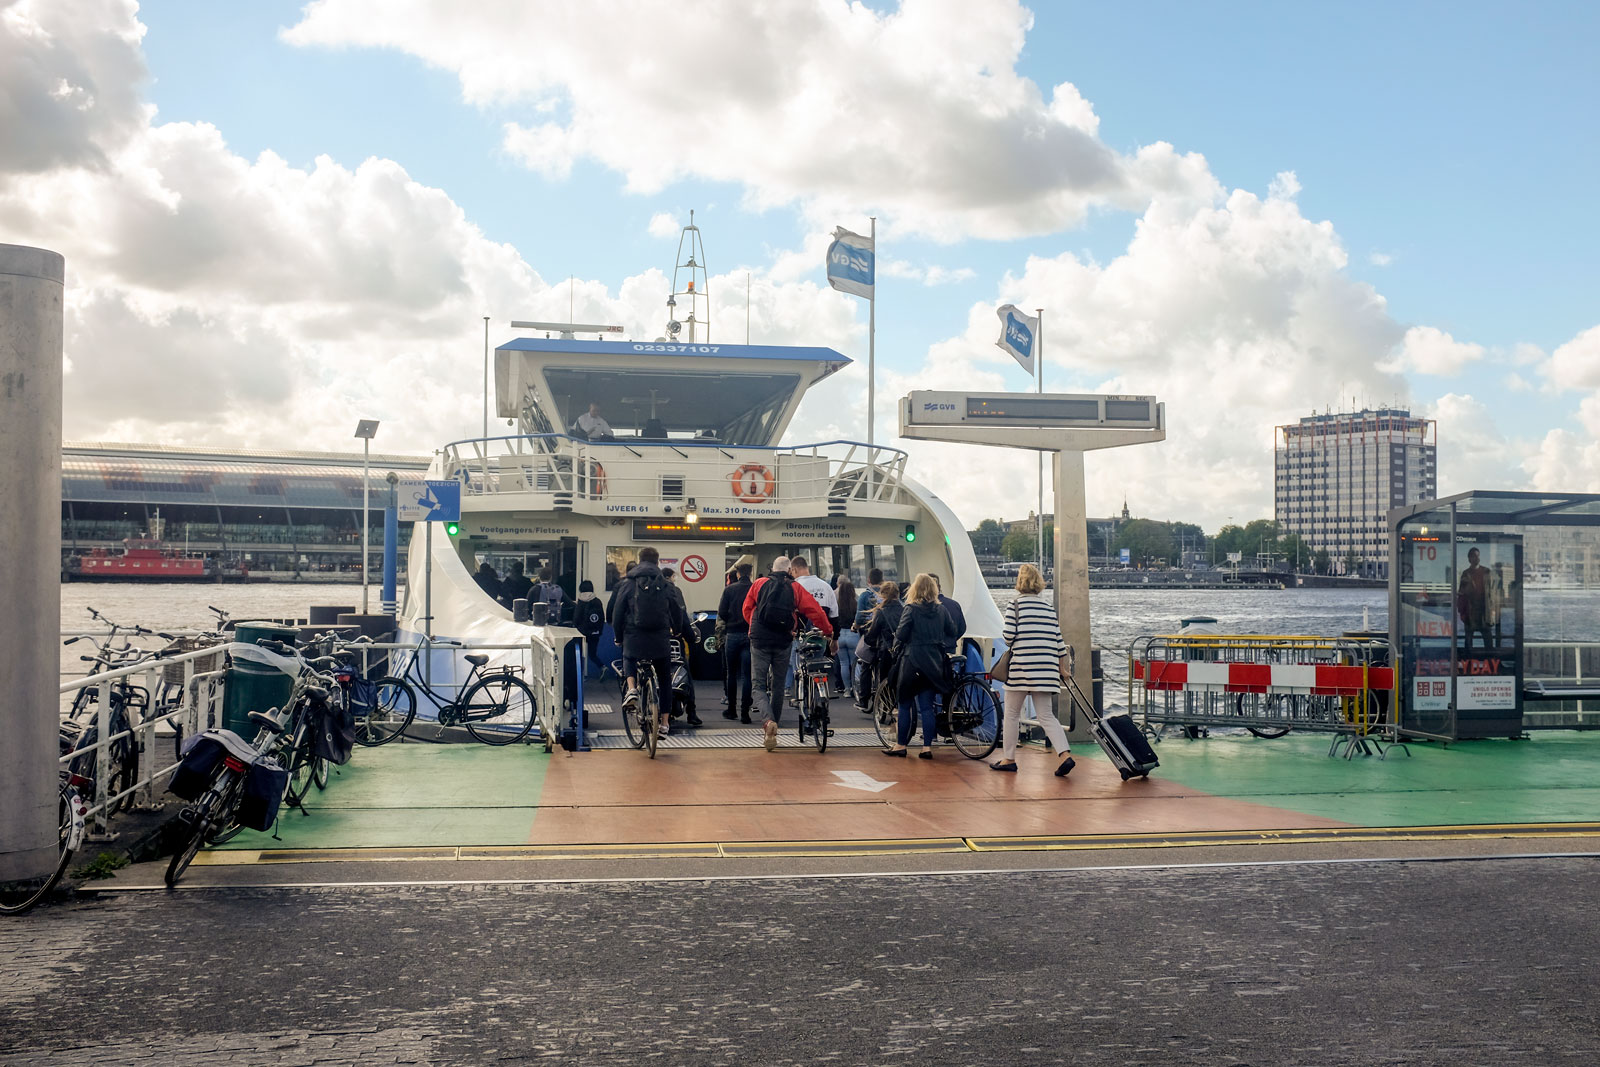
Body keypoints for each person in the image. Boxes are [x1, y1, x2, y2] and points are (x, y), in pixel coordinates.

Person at [990, 563, 1074, 776]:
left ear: (1019, 583)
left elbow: (1008, 637)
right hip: (1046, 670)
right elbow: (1059, 641)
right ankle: (1064, 755)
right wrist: (1062, 669)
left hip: (1021, 668)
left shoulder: (1015, 605)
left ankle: (1009, 759)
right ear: (1039, 583)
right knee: (1046, 715)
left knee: (1010, 714)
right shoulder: (1048, 609)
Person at [743, 555, 833, 752]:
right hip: (783, 640)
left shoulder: (759, 584)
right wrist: (827, 631)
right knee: (778, 685)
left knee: (758, 684)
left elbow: (747, 609)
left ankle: (768, 723)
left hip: (759, 640)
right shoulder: (795, 588)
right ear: (790, 570)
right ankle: (774, 725)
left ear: (772, 569)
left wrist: (755, 626)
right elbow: (815, 611)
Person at [613, 546, 690, 738]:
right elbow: (677, 610)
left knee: (628, 658)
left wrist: (618, 637)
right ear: (657, 562)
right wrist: (678, 631)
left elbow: (618, 611)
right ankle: (664, 723)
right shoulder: (665, 583)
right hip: (660, 637)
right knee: (664, 678)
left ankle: (631, 690)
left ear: (639, 561)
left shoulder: (629, 583)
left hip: (634, 635)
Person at [883, 574, 957, 759]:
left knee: (905, 704)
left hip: (912, 661)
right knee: (927, 707)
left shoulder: (911, 609)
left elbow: (901, 633)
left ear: (914, 589)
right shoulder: (941, 611)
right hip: (934, 663)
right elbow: (953, 631)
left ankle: (901, 745)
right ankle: (927, 748)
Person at [786, 556, 839, 702]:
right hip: (821, 636)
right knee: (817, 667)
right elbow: (834, 616)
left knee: (799, 670)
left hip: (800, 636)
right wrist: (834, 638)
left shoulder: (793, 586)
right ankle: (818, 698)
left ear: (795, 569)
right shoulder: (826, 586)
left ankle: (802, 699)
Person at [718, 562, 755, 723]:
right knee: (747, 675)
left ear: (738, 574)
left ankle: (731, 709)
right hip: (749, 634)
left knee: (731, 674)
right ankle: (745, 713)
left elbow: (722, 613)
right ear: (751, 573)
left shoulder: (729, 590)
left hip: (732, 635)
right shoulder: (755, 589)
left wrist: (731, 622)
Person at [862, 579, 902, 715]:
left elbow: (872, 634)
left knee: (884, 679)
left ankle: (884, 708)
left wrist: (867, 639)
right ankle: (898, 706)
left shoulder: (881, 612)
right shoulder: (905, 610)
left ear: (882, 595)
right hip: (902, 651)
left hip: (886, 652)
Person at [852, 568, 884, 711]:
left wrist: (855, 626)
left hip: (870, 636)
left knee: (865, 664)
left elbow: (859, 617)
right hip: (885, 637)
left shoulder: (865, 595)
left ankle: (863, 700)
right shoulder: (886, 594)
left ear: (869, 581)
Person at [1458, 547, 1494, 651]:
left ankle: (1491, 663)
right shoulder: (1466, 574)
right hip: (1471, 611)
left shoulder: (1486, 572)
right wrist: (1462, 612)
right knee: (1469, 640)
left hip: (1484, 611)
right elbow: (1462, 593)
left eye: (1477, 556)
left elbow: (1492, 591)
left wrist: (1492, 609)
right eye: (1474, 556)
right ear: (1469, 558)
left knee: (1488, 639)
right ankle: (1467, 664)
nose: (1476, 558)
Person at [572, 580, 608, 680]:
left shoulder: (580, 601)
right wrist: (599, 630)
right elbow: (601, 617)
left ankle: (581, 675)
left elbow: (576, 618)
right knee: (592, 654)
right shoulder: (597, 601)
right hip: (595, 631)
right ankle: (602, 666)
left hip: (581, 632)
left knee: (579, 654)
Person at [834, 575, 859, 700]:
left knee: (844, 663)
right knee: (855, 663)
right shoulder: (856, 603)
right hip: (853, 634)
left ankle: (847, 689)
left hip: (840, 636)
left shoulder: (837, 605)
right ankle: (856, 689)